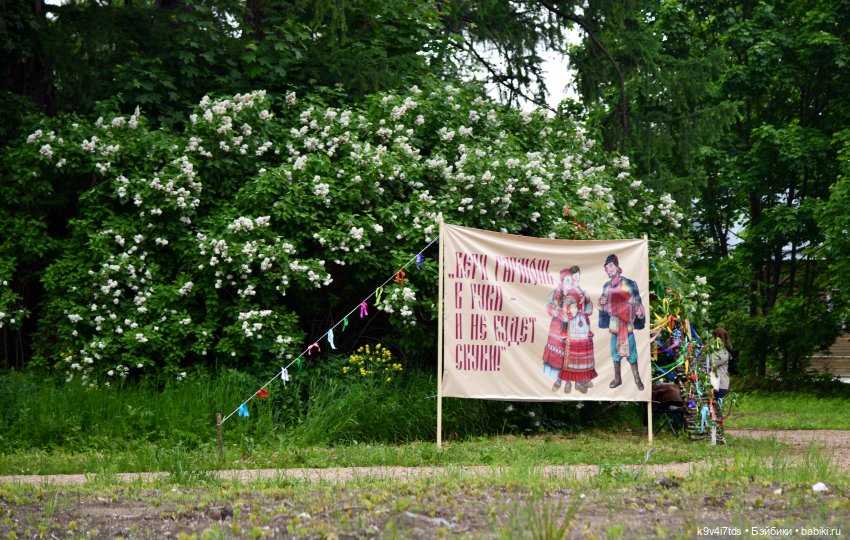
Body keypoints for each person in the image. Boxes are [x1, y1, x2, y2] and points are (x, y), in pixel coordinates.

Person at [598, 254, 646, 390]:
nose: (609, 269)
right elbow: (603, 306)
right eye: (606, 267)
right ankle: (617, 378)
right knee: (615, 352)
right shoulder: (606, 287)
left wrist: (639, 311)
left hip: (627, 324)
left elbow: (637, 302)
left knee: (632, 352)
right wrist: (601, 303)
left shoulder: (629, 284)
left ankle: (637, 379)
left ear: (617, 267)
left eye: (611, 266)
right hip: (614, 325)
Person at [558, 265, 597, 393]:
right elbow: (566, 309)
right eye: (574, 275)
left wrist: (587, 301)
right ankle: (577, 382)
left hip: (584, 324)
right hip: (575, 323)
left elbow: (589, 309)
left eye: (578, 275)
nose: (577, 277)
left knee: (584, 351)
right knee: (576, 351)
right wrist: (577, 306)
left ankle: (583, 379)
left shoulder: (582, 289)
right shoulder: (570, 292)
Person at [542, 268, 573, 392]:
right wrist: (553, 310)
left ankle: (569, 381)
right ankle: (559, 379)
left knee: (570, 355)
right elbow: (548, 305)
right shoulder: (556, 293)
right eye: (566, 279)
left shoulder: (576, 293)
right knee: (559, 356)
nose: (569, 282)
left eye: (570, 279)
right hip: (557, 329)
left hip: (571, 328)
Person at [709, 328, 733, 400]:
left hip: (720, 385)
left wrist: (705, 351)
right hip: (714, 384)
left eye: (714, 338)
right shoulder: (716, 350)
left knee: (716, 408)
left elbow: (711, 362)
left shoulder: (724, 352)